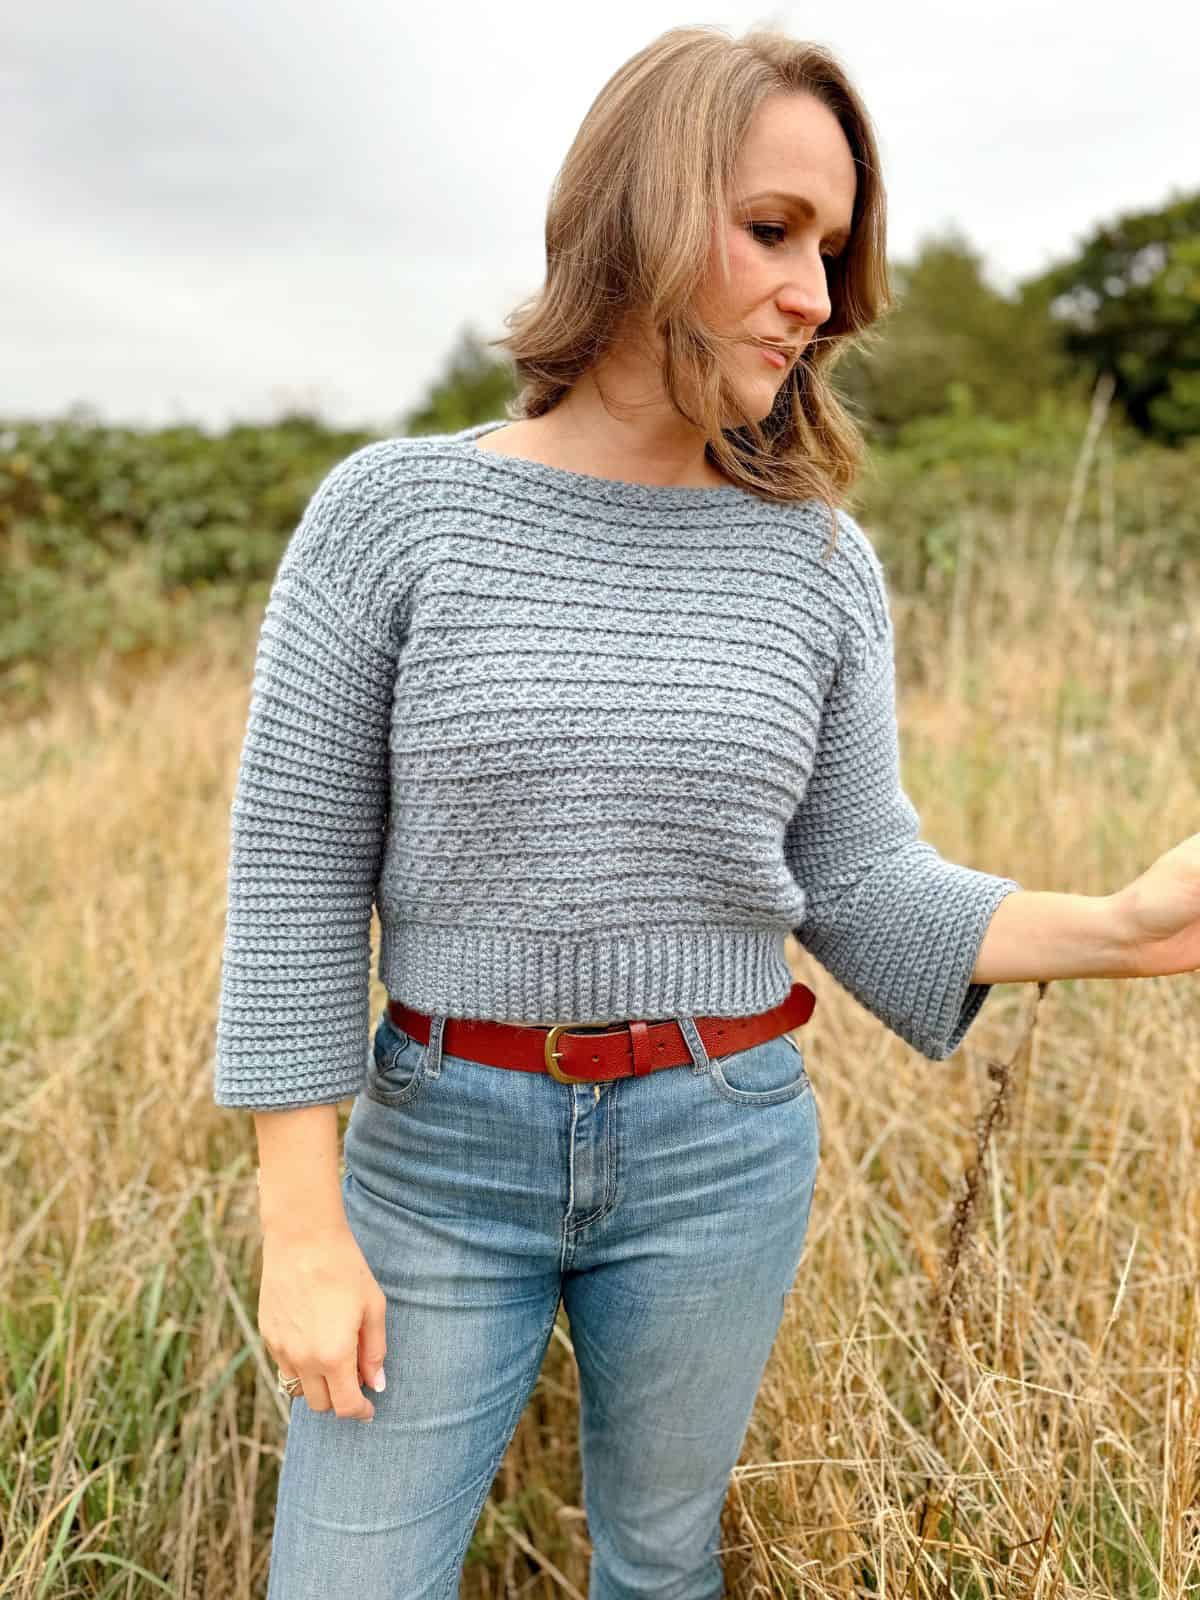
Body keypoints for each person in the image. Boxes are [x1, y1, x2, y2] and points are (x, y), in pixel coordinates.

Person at [212, 23, 1200, 1600]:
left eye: (833, 249)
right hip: (440, 1149)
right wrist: (303, 1227)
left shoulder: (813, 561)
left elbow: (860, 878)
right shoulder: (392, 516)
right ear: (637, 210)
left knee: (661, 1567)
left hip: (718, 1144)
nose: (816, 295)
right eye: (771, 231)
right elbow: (297, 879)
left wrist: (1130, 929)